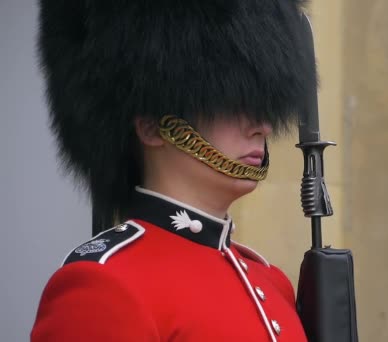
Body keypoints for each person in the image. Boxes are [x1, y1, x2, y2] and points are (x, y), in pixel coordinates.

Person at [31, 1, 316, 341]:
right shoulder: (104, 285)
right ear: (152, 127)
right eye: (231, 102)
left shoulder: (272, 283)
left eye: (261, 104)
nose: (262, 127)